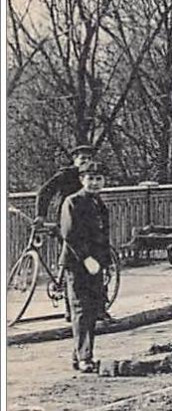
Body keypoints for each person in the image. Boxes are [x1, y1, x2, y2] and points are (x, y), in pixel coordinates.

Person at [60, 160, 112, 372]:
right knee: (81, 309)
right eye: (90, 179)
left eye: (98, 179)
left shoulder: (99, 203)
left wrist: (106, 264)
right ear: (82, 180)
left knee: (92, 309)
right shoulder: (73, 201)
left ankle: (80, 354)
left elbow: (104, 236)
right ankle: (84, 357)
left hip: (96, 263)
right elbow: (70, 234)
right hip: (78, 263)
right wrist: (86, 258)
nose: (94, 183)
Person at [34, 144, 97, 233]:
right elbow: (45, 191)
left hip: (87, 218)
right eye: (83, 158)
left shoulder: (93, 176)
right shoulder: (66, 174)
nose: (86, 161)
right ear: (75, 159)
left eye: (89, 159)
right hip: (67, 217)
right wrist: (41, 215)